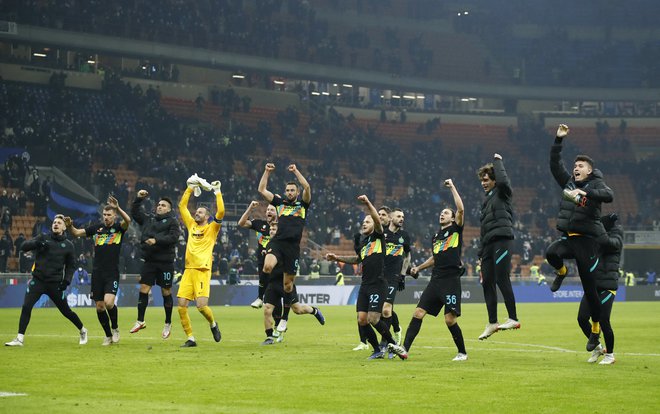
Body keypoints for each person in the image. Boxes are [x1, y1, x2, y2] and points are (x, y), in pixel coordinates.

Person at [545, 124, 614, 351]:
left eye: (580, 166)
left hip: (587, 243)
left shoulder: (595, 185)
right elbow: (555, 165)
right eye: (575, 166)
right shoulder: (569, 183)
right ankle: (561, 272)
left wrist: (586, 192)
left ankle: (595, 332)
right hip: (570, 239)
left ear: (589, 171)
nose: (576, 168)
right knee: (551, 252)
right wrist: (558, 140)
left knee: (590, 290)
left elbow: (609, 195)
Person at [326, 195, 407, 360]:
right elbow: (357, 260)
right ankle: (377, 349)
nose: (364, 223)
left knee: (373, 318)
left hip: (378, 283)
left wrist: (368, 203)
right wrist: (337, 258)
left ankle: (393, 344)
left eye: (367, 221)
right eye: (363, 222)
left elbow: (378, 221)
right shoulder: (364, 243)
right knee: (362, 320)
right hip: (365, 285)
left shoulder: (378, 236)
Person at [399, 179, 467, 361]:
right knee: (418, 313)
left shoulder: (455, 230)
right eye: (441, 213)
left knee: (450, 320)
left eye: (446, 213)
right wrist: (418, 267)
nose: (442, 215)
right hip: (435, 280)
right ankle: (404, 349)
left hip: (451, 280)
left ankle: (462, 353)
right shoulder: (436, 237)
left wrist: (452, 186)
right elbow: (435, 258)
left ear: (452, 218)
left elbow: (460, 209)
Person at [5, 214, 88, 347]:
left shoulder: (68, 245)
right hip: (37, 281)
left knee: (66, 312)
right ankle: (19, 338)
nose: (56, 224)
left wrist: (66, 281)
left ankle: (83, 330)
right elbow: (23, 246)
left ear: (64, 228)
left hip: (55, 284)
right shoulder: (43, 237)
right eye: (54, 222)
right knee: (26, 307)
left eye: (59, 223)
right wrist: (36, 243)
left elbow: (71, 266)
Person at [66, 196, 130, 345]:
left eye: (109, 215)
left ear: (114, 216)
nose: (106, 217)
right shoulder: (96, 229)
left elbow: (128, 221)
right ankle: (107, 335)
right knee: (100, 307)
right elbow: (76, 233)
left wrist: (118, 208)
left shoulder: (119, 229)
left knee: (108, 303)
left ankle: (115, 329)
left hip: (112, 272)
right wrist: (70, 226)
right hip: (97, 273)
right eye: (105, 215)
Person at [258, 163, 312, 331]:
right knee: (267, 266)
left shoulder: (303, 205)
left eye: (292, 190)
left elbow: (307, 186)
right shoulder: (279, 203)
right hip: (278, 242)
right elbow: (262, 190)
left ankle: (285, 319)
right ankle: (260, 297)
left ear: (296, 192)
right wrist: (267, 171)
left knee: (288, 286)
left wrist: (296, 171)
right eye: (287, 190)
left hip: (292, 248)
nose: (289, 193)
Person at [177, 174, 225, 347]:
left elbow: (221, 212)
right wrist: (190, 187)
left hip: (203, 270)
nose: (196, 213)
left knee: (201, 306)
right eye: (196, 211)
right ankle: (190, 338)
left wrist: (217, 192)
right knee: (181, 305)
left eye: (200, 212)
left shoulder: (212, 228)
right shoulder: (191, 225)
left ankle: (213, 324)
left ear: (207, 216)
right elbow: (182, 206)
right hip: (188, 270)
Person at [476, 154, 520, 340]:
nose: (483, 183)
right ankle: (492, 322)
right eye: (482, 181)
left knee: (502, 278)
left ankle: (513, 318)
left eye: (486, 180)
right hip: (488, 245)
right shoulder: (486, 201)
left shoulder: (503, 192)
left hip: (503, 239)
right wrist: (480, 254)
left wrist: (498, 162)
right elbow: (484, 228)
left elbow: (503, 180)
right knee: (487, 282)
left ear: (494, 180)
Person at [261, 222, 325, 345]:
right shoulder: (268, 245)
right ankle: (269, 337)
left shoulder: (286, 247)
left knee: (298, 309)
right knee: (267, 309)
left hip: (286, 283)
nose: (272, 230)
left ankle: (314, 311)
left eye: (275, 228)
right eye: (271, 229)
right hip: (273, 283)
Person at [129, 189, 181, 340]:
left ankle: (168, 323)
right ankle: (140, 320)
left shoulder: (173, 221)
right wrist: (138, 199)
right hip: (150, 261)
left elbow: (173, 237)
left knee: (166, 291)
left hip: (165, 262)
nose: (159, 207)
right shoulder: (149, 219)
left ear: (169, 209)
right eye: (159, 204)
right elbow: (135, 214)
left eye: (163, 205)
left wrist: (156, 240)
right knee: (144, 289)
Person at [581, 213, 622, 365]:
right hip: (593, 285)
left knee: (604, 320)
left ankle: (610, 355)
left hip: (608, 285)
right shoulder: (597, 237)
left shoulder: (616, 237)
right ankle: (598, 348)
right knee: (581, 318)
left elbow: (607, 243)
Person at [237, 201, 277, 309]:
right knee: (268, 289)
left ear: (278, 212)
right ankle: (261, 299)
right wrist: (250, 208)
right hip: (262, 261)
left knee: (275, 291)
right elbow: (241, 223)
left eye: (272, 210)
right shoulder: (259, 224)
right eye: (268, 210)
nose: (269, 211)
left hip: (276, 261)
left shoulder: (281, 227)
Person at [381, 207, 411, 350]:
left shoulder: (404, 236)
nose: (401, 219)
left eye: (403, 216)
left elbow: (408, 256)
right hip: (379, 275)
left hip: (393, 276)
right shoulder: (382, 234)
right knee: (379, 311)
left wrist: (403, 275)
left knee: (386, 310)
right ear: (391, 218)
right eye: (399, 216)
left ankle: (384, 343)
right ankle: (397, 328)